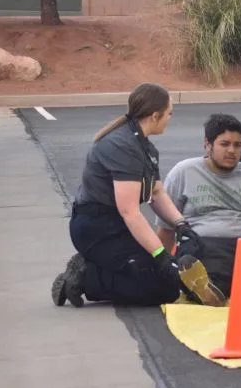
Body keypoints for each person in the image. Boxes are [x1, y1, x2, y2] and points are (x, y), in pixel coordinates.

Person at [51, 83, 225, 308]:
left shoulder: (145, 148)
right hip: (97, 230)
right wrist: (161, 255)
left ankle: (101, 266)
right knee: (158, 288)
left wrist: (181, 224)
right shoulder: (122, 147)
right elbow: (129, 211)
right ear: (155, 116)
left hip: (117, 227)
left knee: (165, 279)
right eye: (169, 113)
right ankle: (85, 276)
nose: (170, 119)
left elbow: (156, 193)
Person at [155, 114, 241, 295]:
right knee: (198, 259)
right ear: (207, 144)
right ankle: (212, 286)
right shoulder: (184, 171)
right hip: (208, 244)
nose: (231, 151)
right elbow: (166, 226)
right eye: (224, 144)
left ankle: (214, 287)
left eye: (237, 145)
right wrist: (160, 267)